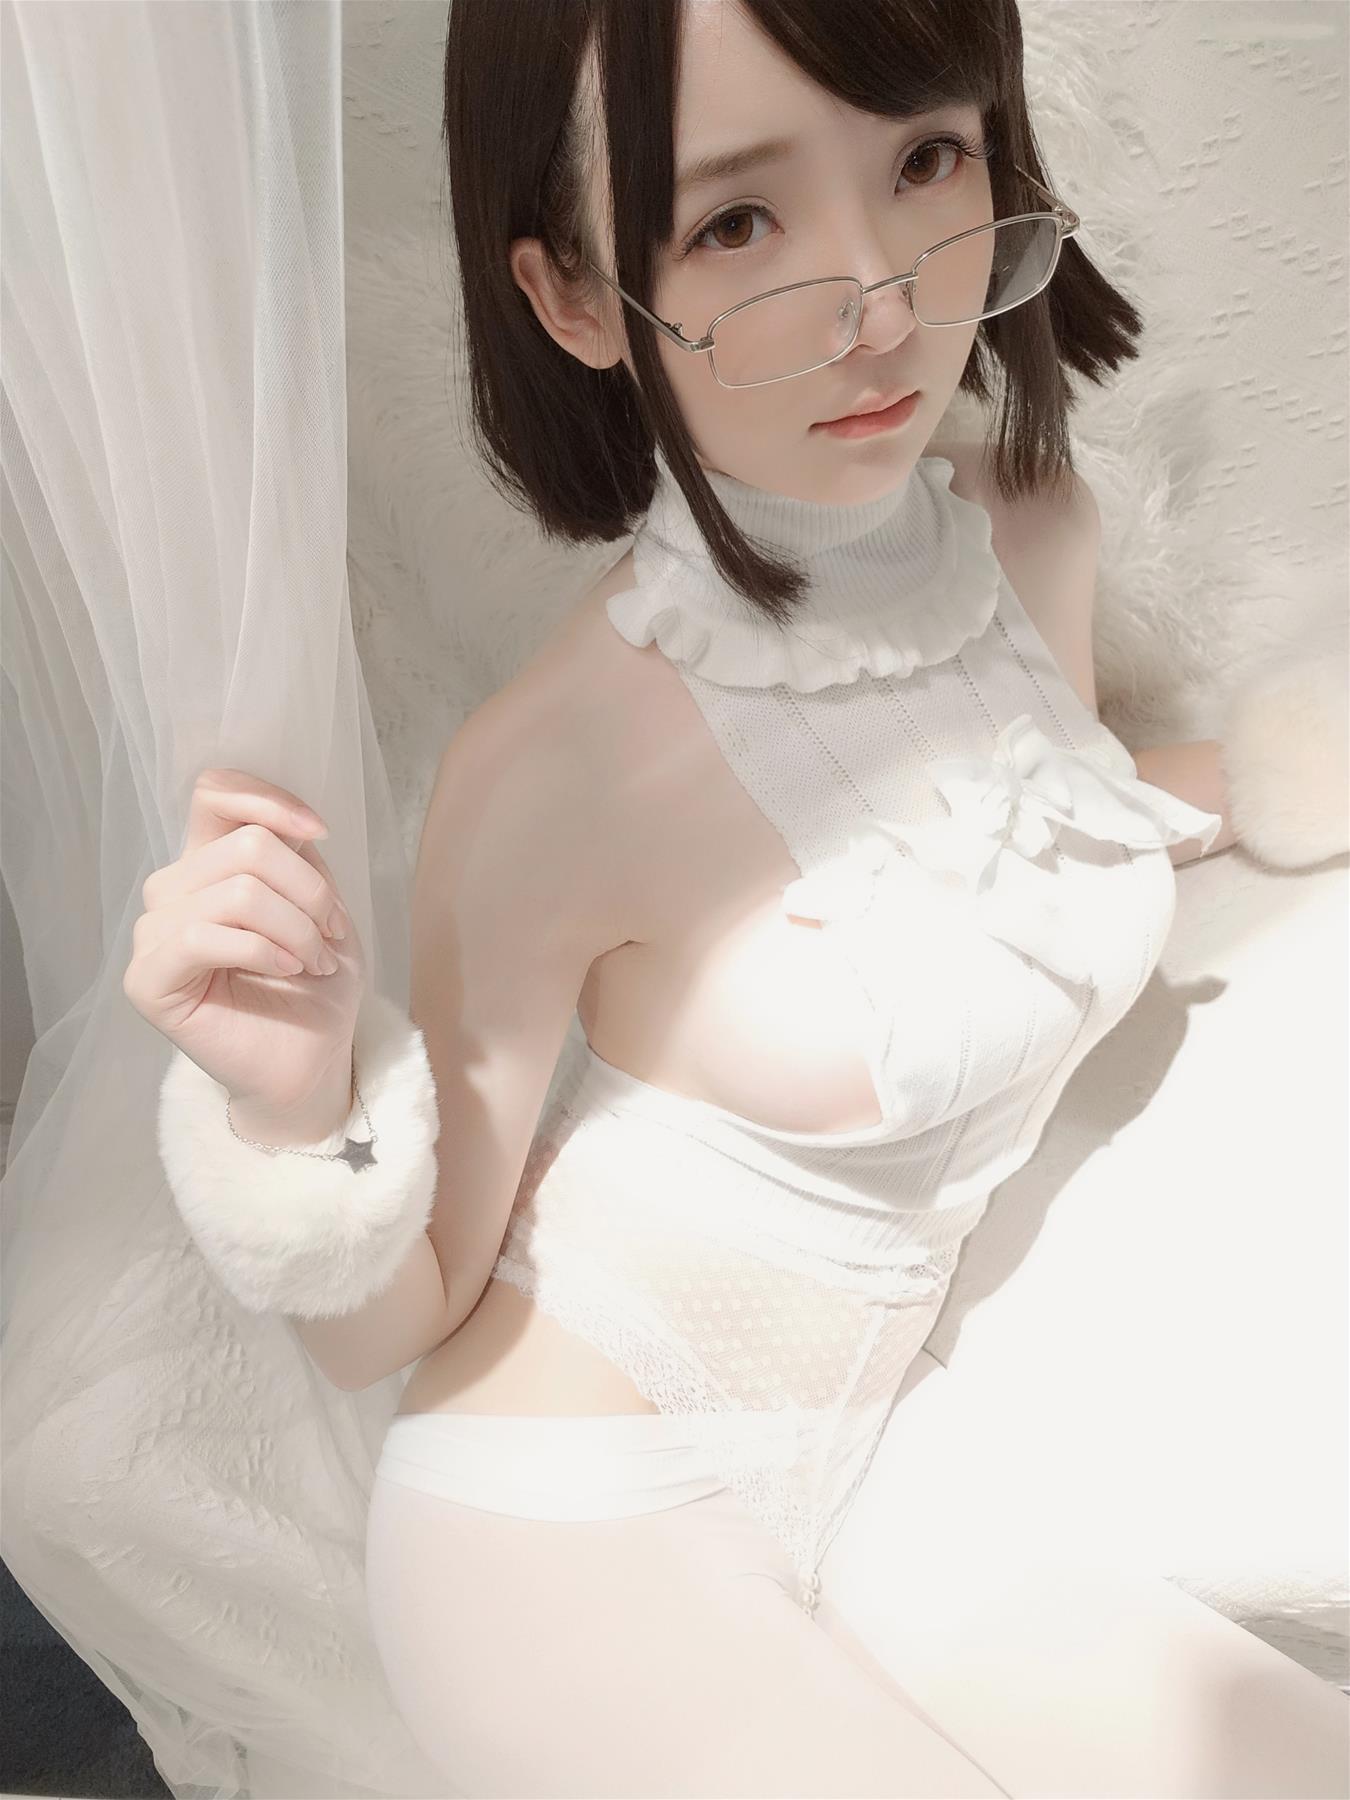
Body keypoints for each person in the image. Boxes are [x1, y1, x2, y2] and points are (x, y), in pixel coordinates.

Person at [140, 0, 1350, 1794]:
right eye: (734, 221)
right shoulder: (557, 763)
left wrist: (1283, 772)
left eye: (923, 158)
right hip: (560, 1530)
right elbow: (405, 1312)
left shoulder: (1029, 525)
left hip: (873, 1445)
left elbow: (1039, 814)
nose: (875, 301)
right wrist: (292, 1105)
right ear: (572, 298)